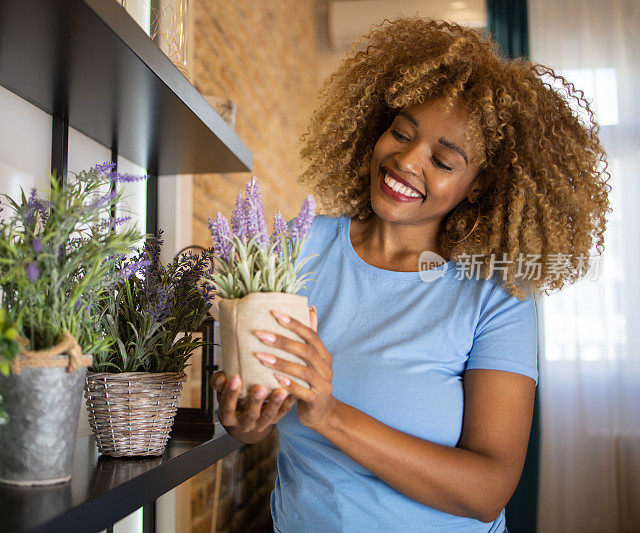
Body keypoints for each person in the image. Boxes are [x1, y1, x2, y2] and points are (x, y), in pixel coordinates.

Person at [209, 17, 611, 533]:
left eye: (443, 161)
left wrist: (330, 414)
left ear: (478, 184)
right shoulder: (300, 246)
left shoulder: (498, 292)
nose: (404, 160)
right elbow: (252, 418)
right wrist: (243, 420)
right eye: (400, 132)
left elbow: (487, 492)